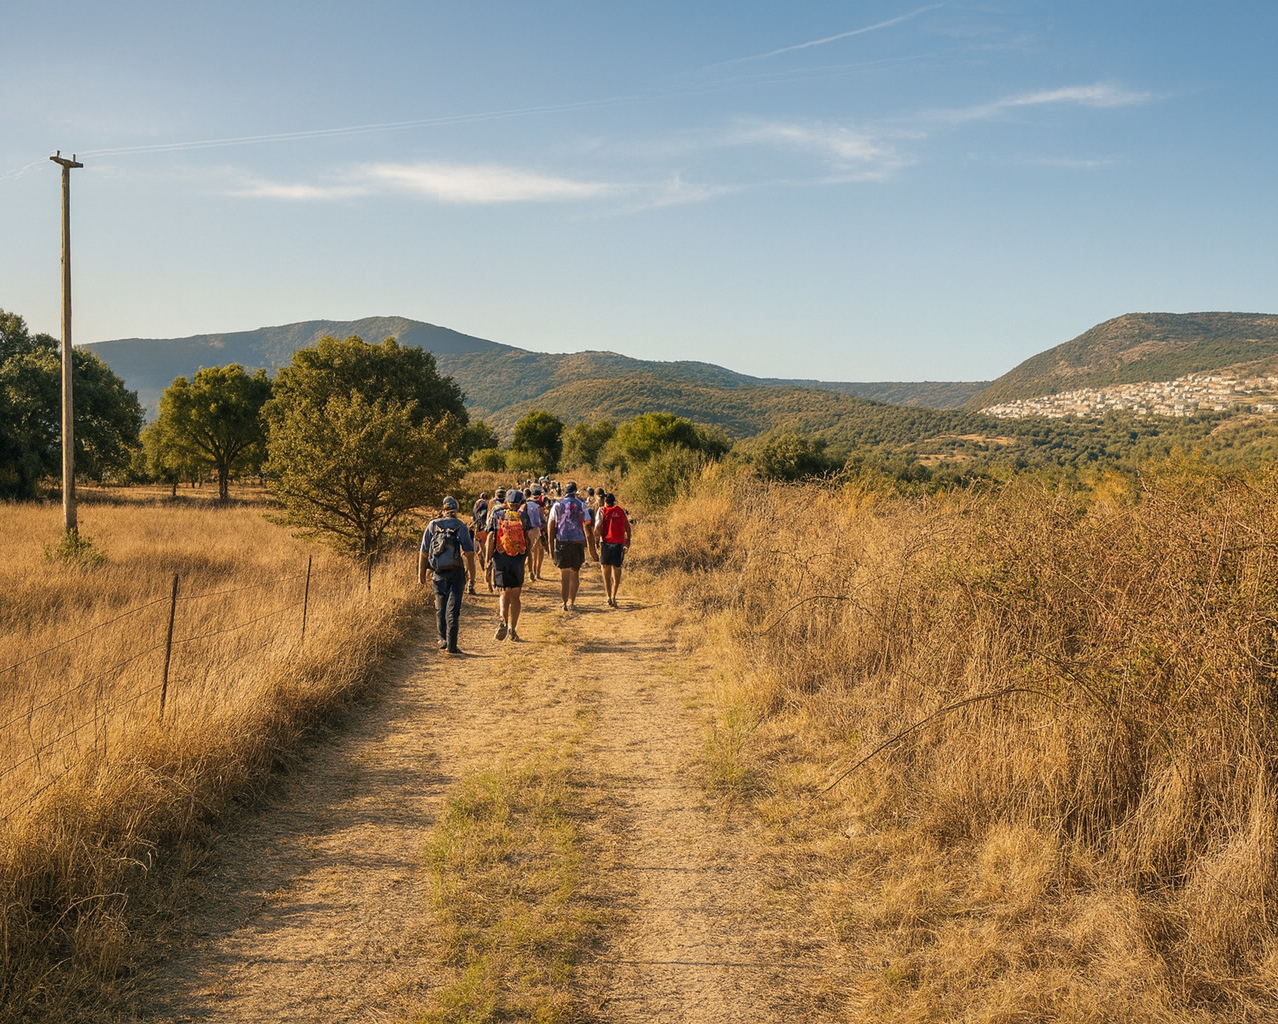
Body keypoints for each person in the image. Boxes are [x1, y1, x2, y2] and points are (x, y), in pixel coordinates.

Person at [418, 496, 478, 654]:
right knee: (453, 609)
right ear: (456, 511)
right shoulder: (459, 526)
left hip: (438, 573)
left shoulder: (432, 525)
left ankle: (441, 639)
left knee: (440, 607)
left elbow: (423, 553)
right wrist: (472, 578)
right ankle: (452, 645)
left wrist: (421, 576)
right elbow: (470, 553)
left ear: (443, 510)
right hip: (456, 572)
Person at [486, 488, 532, 641]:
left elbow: (491, 536)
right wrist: (526, 556)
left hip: (501, 557)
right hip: (517, 558)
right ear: (520, 503)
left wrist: (488, 560)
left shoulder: (496, 513)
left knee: (503, 592)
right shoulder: (523, 516)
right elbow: (528, 538)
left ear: (506, 501)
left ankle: (502, 622)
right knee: (516, 595)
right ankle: (513, 629)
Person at [548, 481, 595, 612]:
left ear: (564, 491)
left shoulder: (557, 505)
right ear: (575, 491)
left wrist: (551, 547)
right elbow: (587, 525)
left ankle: (563, 602)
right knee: (575, 573)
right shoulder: (582, 505)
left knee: (564, 575)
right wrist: (591, 547)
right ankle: (572, 602)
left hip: (562, 542)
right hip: (577, 542)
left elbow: (551, 525)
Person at [596, 492, 631, 608]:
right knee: (617, 570)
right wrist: (628, 540)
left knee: (605, 570)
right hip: (618, 544)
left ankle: (608, 596)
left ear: (605, 501)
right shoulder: (620, 511)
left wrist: (596, 539)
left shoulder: (602, 510)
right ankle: (614, 597)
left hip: (606, 543)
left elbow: (597, 526)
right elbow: (627, 526)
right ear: (614, 501)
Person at [470, 492, 491, 594]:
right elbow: (483, 516)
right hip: (482, 530)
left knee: (479, 552)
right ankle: (486, 572)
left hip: (476, 529)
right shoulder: (485, 504)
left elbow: (473, 516)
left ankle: (484, 569)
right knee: (485, 552)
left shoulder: (476, 503)